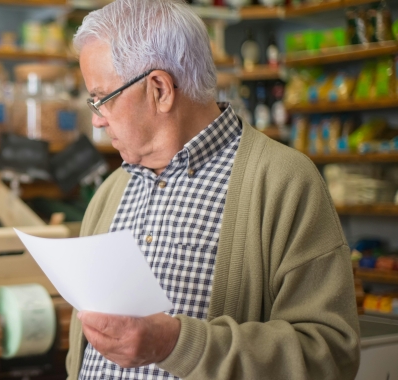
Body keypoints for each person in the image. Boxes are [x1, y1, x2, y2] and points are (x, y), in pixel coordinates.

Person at [67, 0, 361, 379]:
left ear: (159, 89)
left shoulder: (284, 182)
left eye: (101, 98)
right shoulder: (110, 191)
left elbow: (329, 356)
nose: (96, 120)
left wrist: (175, 344)